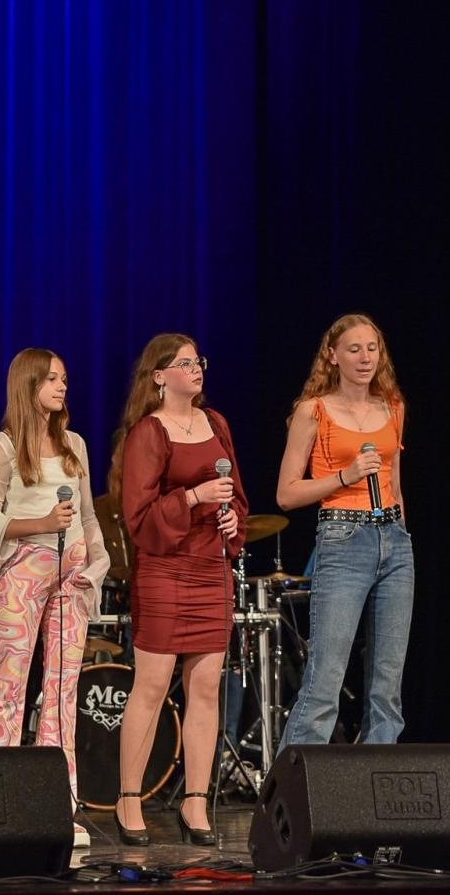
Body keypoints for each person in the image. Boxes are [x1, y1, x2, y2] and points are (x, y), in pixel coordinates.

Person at [108, 333, 246, 847]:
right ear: (159, 376)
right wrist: (193, 495)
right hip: (165, 570)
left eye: (199, 362)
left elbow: (238, 495)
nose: (197, 369)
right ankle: (128, 797)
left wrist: (235, 521)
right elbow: (137, 516)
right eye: (184, 363)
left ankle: (195, 801)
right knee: (152, 684)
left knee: (206, 688)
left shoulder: (218, 425)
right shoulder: (150, 431)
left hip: (211, 568)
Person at [0, 348, 110, 849]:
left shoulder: (73, 443)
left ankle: (58, 803)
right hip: (24, 572)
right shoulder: (4, 447)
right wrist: (41, 525)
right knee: (10, 683)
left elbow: (90, 517)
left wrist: (98, 562)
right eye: (51, 379)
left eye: (65, 379)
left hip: (71, 578)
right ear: (28, 385)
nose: (61, 386)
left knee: (61, 691)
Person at [275, 313, 414, 748]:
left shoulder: (393, 406)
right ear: (332, 356)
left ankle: (376, 794)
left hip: (393, 540)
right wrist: (346, 475)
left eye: (372, 348)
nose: (365, 357)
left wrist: (401, 534)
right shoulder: (312, 411)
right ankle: (286, 796)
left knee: (387, 687)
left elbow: (395, 482)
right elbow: (286, 494)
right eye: (354, 349)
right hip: (342, 539)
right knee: (325, 682)